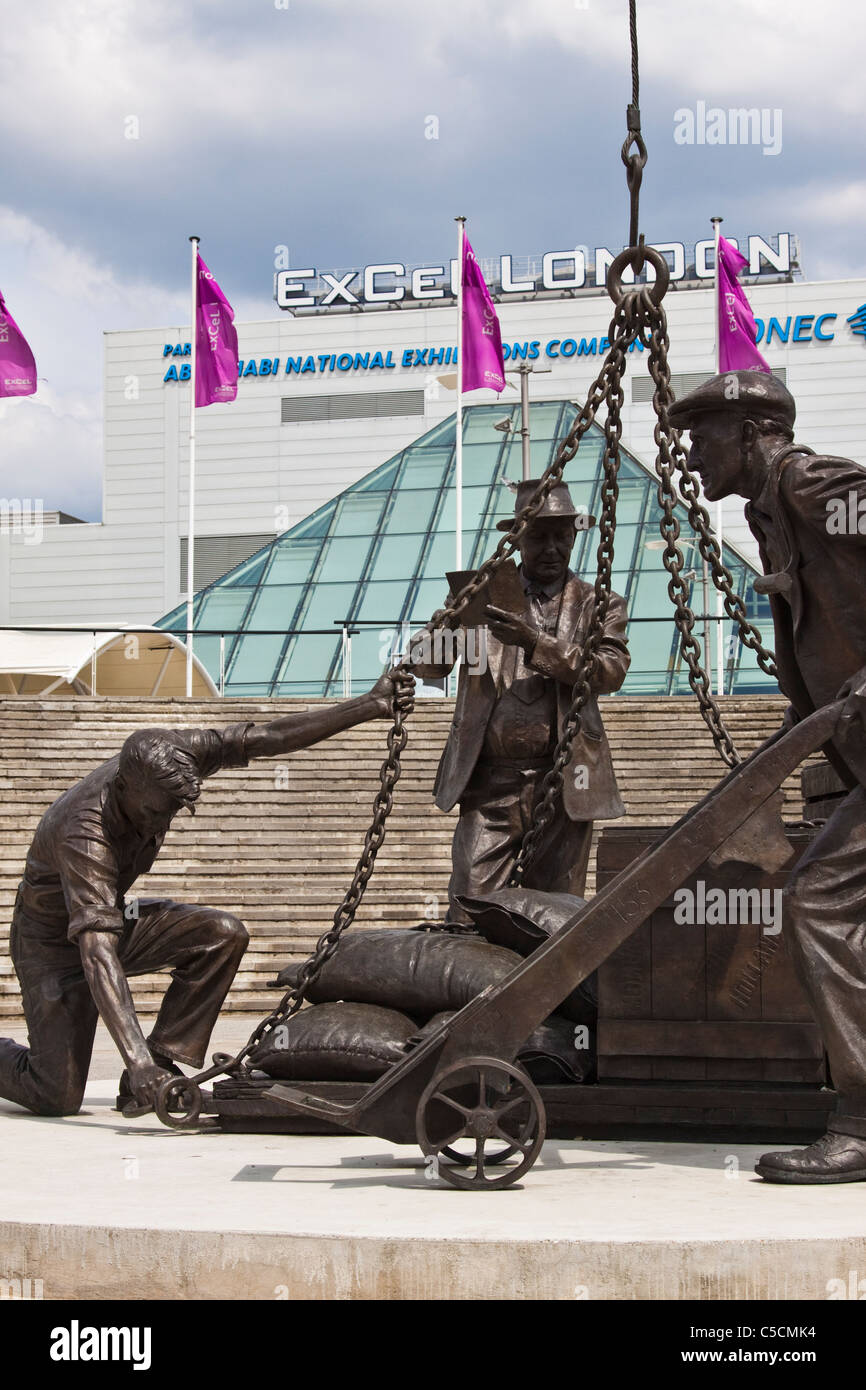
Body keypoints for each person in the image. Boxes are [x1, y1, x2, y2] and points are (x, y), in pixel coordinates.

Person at [0, 669, 414, 1118]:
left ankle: (160, 1059)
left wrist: (370, 705)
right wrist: (132, 1060)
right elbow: (97, 953)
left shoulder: (175, 753)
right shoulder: (84, 834)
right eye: (156, 811)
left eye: (174, 810)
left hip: (111, 922)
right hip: (51, 948)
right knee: (54, 1095)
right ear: (124, 787)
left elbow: (268, 737)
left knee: (220, 933)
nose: (163, 822)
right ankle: (141, 1067)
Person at [669, 368, 866, 1183]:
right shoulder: (774, 513)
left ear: (753, 434)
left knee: (819, 897)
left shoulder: (814, 486)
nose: (691, 453)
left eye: (704, 434)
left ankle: (861, 1121)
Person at [411, 480, 630, 921]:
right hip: (491, 787)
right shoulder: (483, 595)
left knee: (553, 922)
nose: (551, 547)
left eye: (561, 536)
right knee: (467, 911)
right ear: (517, 538)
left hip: (566, 784)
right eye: (538, 536)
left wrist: (535, 642)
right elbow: (427, 666)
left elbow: (610, 671)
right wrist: (450, 619)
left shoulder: (598, 603)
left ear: (573, 536)